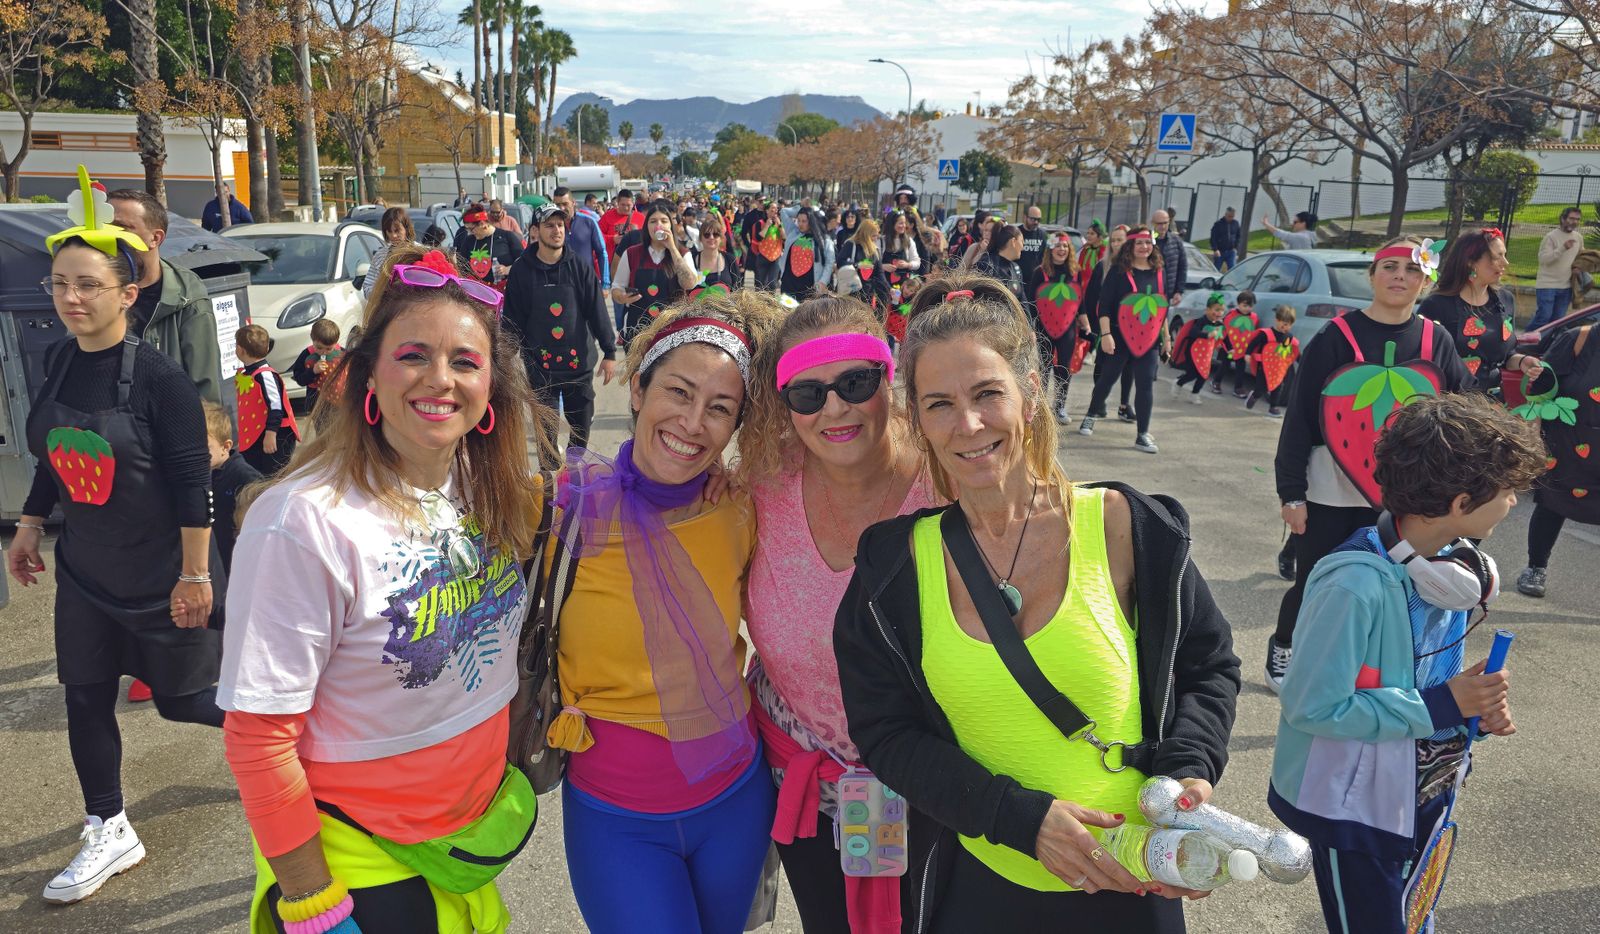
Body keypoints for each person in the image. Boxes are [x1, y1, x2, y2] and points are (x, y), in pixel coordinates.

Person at [834, 275, 1240, 933]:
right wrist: (1019, 819)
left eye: (987, 394)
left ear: (1029, 394)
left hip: (1134, 887)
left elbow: (1208, 667)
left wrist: (1189, 768)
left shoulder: (1125, 528)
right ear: (917, 420)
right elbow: (885, 732)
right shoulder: (893, 567)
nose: (968, 424)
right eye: (939, 404)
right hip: (979, 890)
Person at [219, 243, 548, 933]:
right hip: (364, 859)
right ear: (367, 373)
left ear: (491, 387)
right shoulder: (304, 522)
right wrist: (313, 903)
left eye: (466, 361)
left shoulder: (484, 485)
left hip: (464, 841)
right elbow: (258, 737)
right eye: (413, 355)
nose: (441, 379)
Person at [11, 177, 225, 904]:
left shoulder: (161, 380)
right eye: (60, 284)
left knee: (185, 703)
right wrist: (31, 525)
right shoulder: (58, 361)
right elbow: (56, 459)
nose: (70, 298)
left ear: (127, 293)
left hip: (163, 571)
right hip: (87, 568)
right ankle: (108, 825)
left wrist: (195, 576)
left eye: (88, 285)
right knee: (85, 694)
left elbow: (192, 481)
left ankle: (295, 736)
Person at [547, 296, 782, 934]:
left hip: (737, 803)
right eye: (678, 392)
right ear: (638, 388)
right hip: (616, 820)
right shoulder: (562, 509)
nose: (693, 422)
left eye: (721, 408)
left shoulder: (742, 508)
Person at [1270, 393, 1542, 934]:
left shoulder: (1449, 571)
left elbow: (1424, 684)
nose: (1514, 502)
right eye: (1508, 491)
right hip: (1354, 809)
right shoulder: (1354, 585)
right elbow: (1313, 705)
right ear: (1461, 502)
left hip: (1423, 787)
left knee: (1416, 914)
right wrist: (1441, 704)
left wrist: (1470, 709)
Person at [739, 295, 939, 933]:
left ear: (890, 378)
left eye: (856, 383)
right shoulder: (760, 486)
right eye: (808, 393)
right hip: (804, 781)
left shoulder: (948, 483)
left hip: (930, 786)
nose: (834, 409)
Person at [1269, 236, 1472, 692]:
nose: (1400, 277)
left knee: (1387, 587)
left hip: (1404, 494)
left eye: (1412, 269)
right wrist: (1292, 493)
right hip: (1329, 488)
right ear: (1373, 276)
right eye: (1390, 267)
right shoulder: (1336, 336)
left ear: (1425, 281)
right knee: (1317, 580)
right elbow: (1300, 417)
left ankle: (1357, 670)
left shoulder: (1435, 339)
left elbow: (1463, 407)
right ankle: (1284, 648)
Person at [501, 203, 618, 462]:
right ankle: (548, 475)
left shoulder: (579, 266)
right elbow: (512, 318)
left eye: (560, 225)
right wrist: (504, 358)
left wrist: (609, 351)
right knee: (546, 432)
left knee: (581, 428)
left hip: (578, 365)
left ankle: (574, 471)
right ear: (535, 231)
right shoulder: (522, 270)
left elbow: (596, 310)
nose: (557, 230)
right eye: (549, 225)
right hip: (539, 366)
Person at [108, 188, 228, 408]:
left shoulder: (186, 294)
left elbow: (205, 389)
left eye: (123, 228)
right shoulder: (97, 289)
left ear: (155, 238)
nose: (112, 237)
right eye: (106, 228)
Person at [1515, 319, 1599, 599]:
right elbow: (1539, 391)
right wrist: (1532, 438)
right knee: (1552, 503)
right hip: (1568, 441)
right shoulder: (1579, 339)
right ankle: (1535, 567)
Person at [1079, 227, 1173, 454]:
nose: (1144, 247)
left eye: (1148, 243)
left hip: (1149, 341)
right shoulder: (1118, 272)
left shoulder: (1160, 272)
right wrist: (1106, 336)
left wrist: (1167, 338)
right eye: (1139, 243)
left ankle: (1142, 434)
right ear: (1130, 246)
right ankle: (1091, 414)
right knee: (1107, 380)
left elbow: (1161, 308)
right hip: (1118, 337)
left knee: (1145, 384)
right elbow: (1104, 306)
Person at [1419, 228, 1541, 392]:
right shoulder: (1436, 305)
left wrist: (1522, 361)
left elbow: (1506, 356)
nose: (1505, 262)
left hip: (1491, 401)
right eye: (1497, 256)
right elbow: (1423, 362)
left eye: (1504, 255)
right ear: (1470, 261)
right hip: (1448, 401)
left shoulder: (1505, 300)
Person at [611, 201, 701, 343]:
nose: (658, 225)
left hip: (672, 329)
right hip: (639, 328)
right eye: (653, 221)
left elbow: (689, 283)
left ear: (670, 226)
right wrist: (622, 298)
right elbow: (616, 288)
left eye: (664, 221)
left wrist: (672, 248)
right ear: (646, 227)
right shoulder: (631, 253)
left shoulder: (683, 253)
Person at [1026, 231, 1088, 423]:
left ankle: (1060, 406)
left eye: (1065, 246)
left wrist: (1085, 321)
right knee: (1043, 367)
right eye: (1058, 246)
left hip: (1068, 329)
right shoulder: (1040, 272)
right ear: (1050, 249)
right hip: (1043, 327)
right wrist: (1030, 327)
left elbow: (1080, 300)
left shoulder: (1075, 272)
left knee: (1064, 368)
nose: (1062, 249)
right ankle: (1041, 406)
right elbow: (1031, 302)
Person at [202, 400, 260, 574]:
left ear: (225, 446)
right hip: (216, 555)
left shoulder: (244, 476)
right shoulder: (206, 473)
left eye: (205, 448)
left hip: (237, 558)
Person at [234, 324, 300, 477]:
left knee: (273, 476)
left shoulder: (265, 375)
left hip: (275, 435)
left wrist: (271, 434)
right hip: (257, 435)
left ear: (240, 350)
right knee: (256, 474)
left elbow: (276, 407)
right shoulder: (249, 374)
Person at [1532, 207, 1585, 330]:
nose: (1574, 222)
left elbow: (1581, 257)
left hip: (1566, 286)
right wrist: (1562, 248)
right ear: (1562, 219)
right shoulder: (1550, 237)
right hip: (1547, 285)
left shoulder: (1578, 237)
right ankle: (1525, 339)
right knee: (1543, 318)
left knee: (1558, 322)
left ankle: (1550, 342)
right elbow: (1544, 259)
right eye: (1571, 218)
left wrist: (1579, 267)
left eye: (1577, 219)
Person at [1244, 304, 1300, 417]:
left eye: (1290, 325)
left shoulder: (1289, 337)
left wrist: (1301, 361)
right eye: (1284, 324)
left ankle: (1273, 407)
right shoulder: (1265, 334)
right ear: (1277, 320)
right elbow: (1253, 343)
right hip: (1263, 367)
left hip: (1279, 369)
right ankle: (1254, 396)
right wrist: (1248, 354)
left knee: (1278, 387)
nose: (1287, 327)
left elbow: (1292, 351)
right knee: (1261, 387)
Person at [1170, 294, 1227, 404]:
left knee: (1203, 375)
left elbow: (1219, 337)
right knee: (1193, 373)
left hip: (1206, 353)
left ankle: (1194, 394)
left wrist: (1218, 344)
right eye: (1217, 310)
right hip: (1193, 352)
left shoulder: (1219, 324)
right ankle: (1178, 383)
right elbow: (1193, 332)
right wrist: (1207, 335)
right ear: (1207, 310)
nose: (1219, 313)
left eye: (1222, 310)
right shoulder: (1201, 321)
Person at [453, 204, 522, 289]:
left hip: (504, 289)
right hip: (478, 290)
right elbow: (462, 267)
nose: (470, 233)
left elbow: (523, 262)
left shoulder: (507, 237)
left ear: (482, 224)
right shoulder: (469, 241)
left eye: (471, 229)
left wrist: (507, 269)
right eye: (467, 229)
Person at [778, 203, 835, 301]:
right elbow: (783, 212)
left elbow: (829, 263)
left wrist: (823, 281)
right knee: (786, 309)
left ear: (811, 221)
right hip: (788, 284)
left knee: (805, 310)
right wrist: (802, 209)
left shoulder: (824, 240)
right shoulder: (793, 232)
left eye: (804, 221)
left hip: (809, 286)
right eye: (798, 220)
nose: (800, 224)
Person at [288, 318, 345, 412]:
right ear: (312, 339)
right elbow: (300, 379)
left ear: (335, 343)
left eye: (328, 349)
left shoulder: (343, 354)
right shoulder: (306, 355)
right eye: (319, 347)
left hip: (338, 404)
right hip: (315, 403)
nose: (323, 352)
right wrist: (313, 371)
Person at [364, 206, 419, 298]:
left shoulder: (420, 253)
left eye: (397, 230)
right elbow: (367, 287)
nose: (393, 235)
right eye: (389, 231)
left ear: (406, 228)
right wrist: (383, 293)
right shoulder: (380, 256)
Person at [1214, 290, 1259, 398]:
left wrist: (1249, 350)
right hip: (1229, 348)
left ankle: (1238, 388)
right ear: (1238, 304)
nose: (1247, 308)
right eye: (1244, 305)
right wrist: (1229, 347)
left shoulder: (1254, 317)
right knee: (1225, 365)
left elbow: (1252, 333)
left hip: (1242, 349)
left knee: (1240, 368)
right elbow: (1226, 332)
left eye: (1250, 306)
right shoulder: (1231, 315)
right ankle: (1216, 382)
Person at [975, 224, 1027, 306]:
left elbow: (1023, 302)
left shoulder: (1016, 268)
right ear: (1013, 241)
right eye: (1022, 241)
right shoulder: (986, 265)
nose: (1022, 247)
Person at [692, 216, 739, 292]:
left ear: (720, 238)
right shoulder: (691, 260)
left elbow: (738, 288)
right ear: (700, 238)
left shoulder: (730, 260)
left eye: (715, 234)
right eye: (707, 235)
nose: (711, 237)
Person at [749, 201, 786, 292]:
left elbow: (784, 238)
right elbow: (758, 238)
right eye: (773, 208)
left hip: (776, 256)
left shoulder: (780, 223)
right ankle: (760, 300)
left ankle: (770, 300)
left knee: (772, 284)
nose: (775, 210)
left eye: (776, 208)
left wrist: (779, 225)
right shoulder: (760, 223)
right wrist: (767, 225)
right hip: (762, 256)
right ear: (767, 211)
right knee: (760, 284)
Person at [1152, 209, 1187, 305]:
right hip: (1149, 291)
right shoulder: (1147, 241)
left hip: (1167, 293)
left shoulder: (1176, 241)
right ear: (1153, 223)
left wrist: (1179, 291)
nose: (1163, 226)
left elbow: (1182, 267)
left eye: (1165, 223)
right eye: (1159, 223)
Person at [599, 187, 643, 256]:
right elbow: (597, 236)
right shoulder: (607, 216)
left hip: (635, 257)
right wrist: (613, 239)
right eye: (623, 205)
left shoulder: (641, 218)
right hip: (614, 258)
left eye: (628, 205)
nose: (626, 208)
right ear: (617, 203)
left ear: (633, 204)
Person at [1016, 206, 1048, 285]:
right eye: (1033, 219)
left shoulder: (1043, 235)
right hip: (1018, 279)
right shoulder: (1016, 232)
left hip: (1036, 280)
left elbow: (1046, 256)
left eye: (1038, 219)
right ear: (1025, 217)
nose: (1036, 222)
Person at [1077, 219, 1108, 290]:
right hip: (1083, 285)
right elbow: (1079, 267)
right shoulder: (1085, 249)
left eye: (1092, 234)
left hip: (1097, 285)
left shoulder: (1104, 250)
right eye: (1088, 233)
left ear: (1100, 236)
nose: (1088, 236)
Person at [1209, 208, 1241, 272]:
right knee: (1216, 269)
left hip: (1231, 251)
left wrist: (1236, 248)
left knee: (1232, 269)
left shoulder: (1236, 223)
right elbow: (1213, 237)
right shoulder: (1218, 224)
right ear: (1226, 214)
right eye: (1229, 216)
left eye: (1232, 216)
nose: (1231, 218)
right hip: (1220, 251)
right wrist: (1215, 249)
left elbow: (1238, 236)